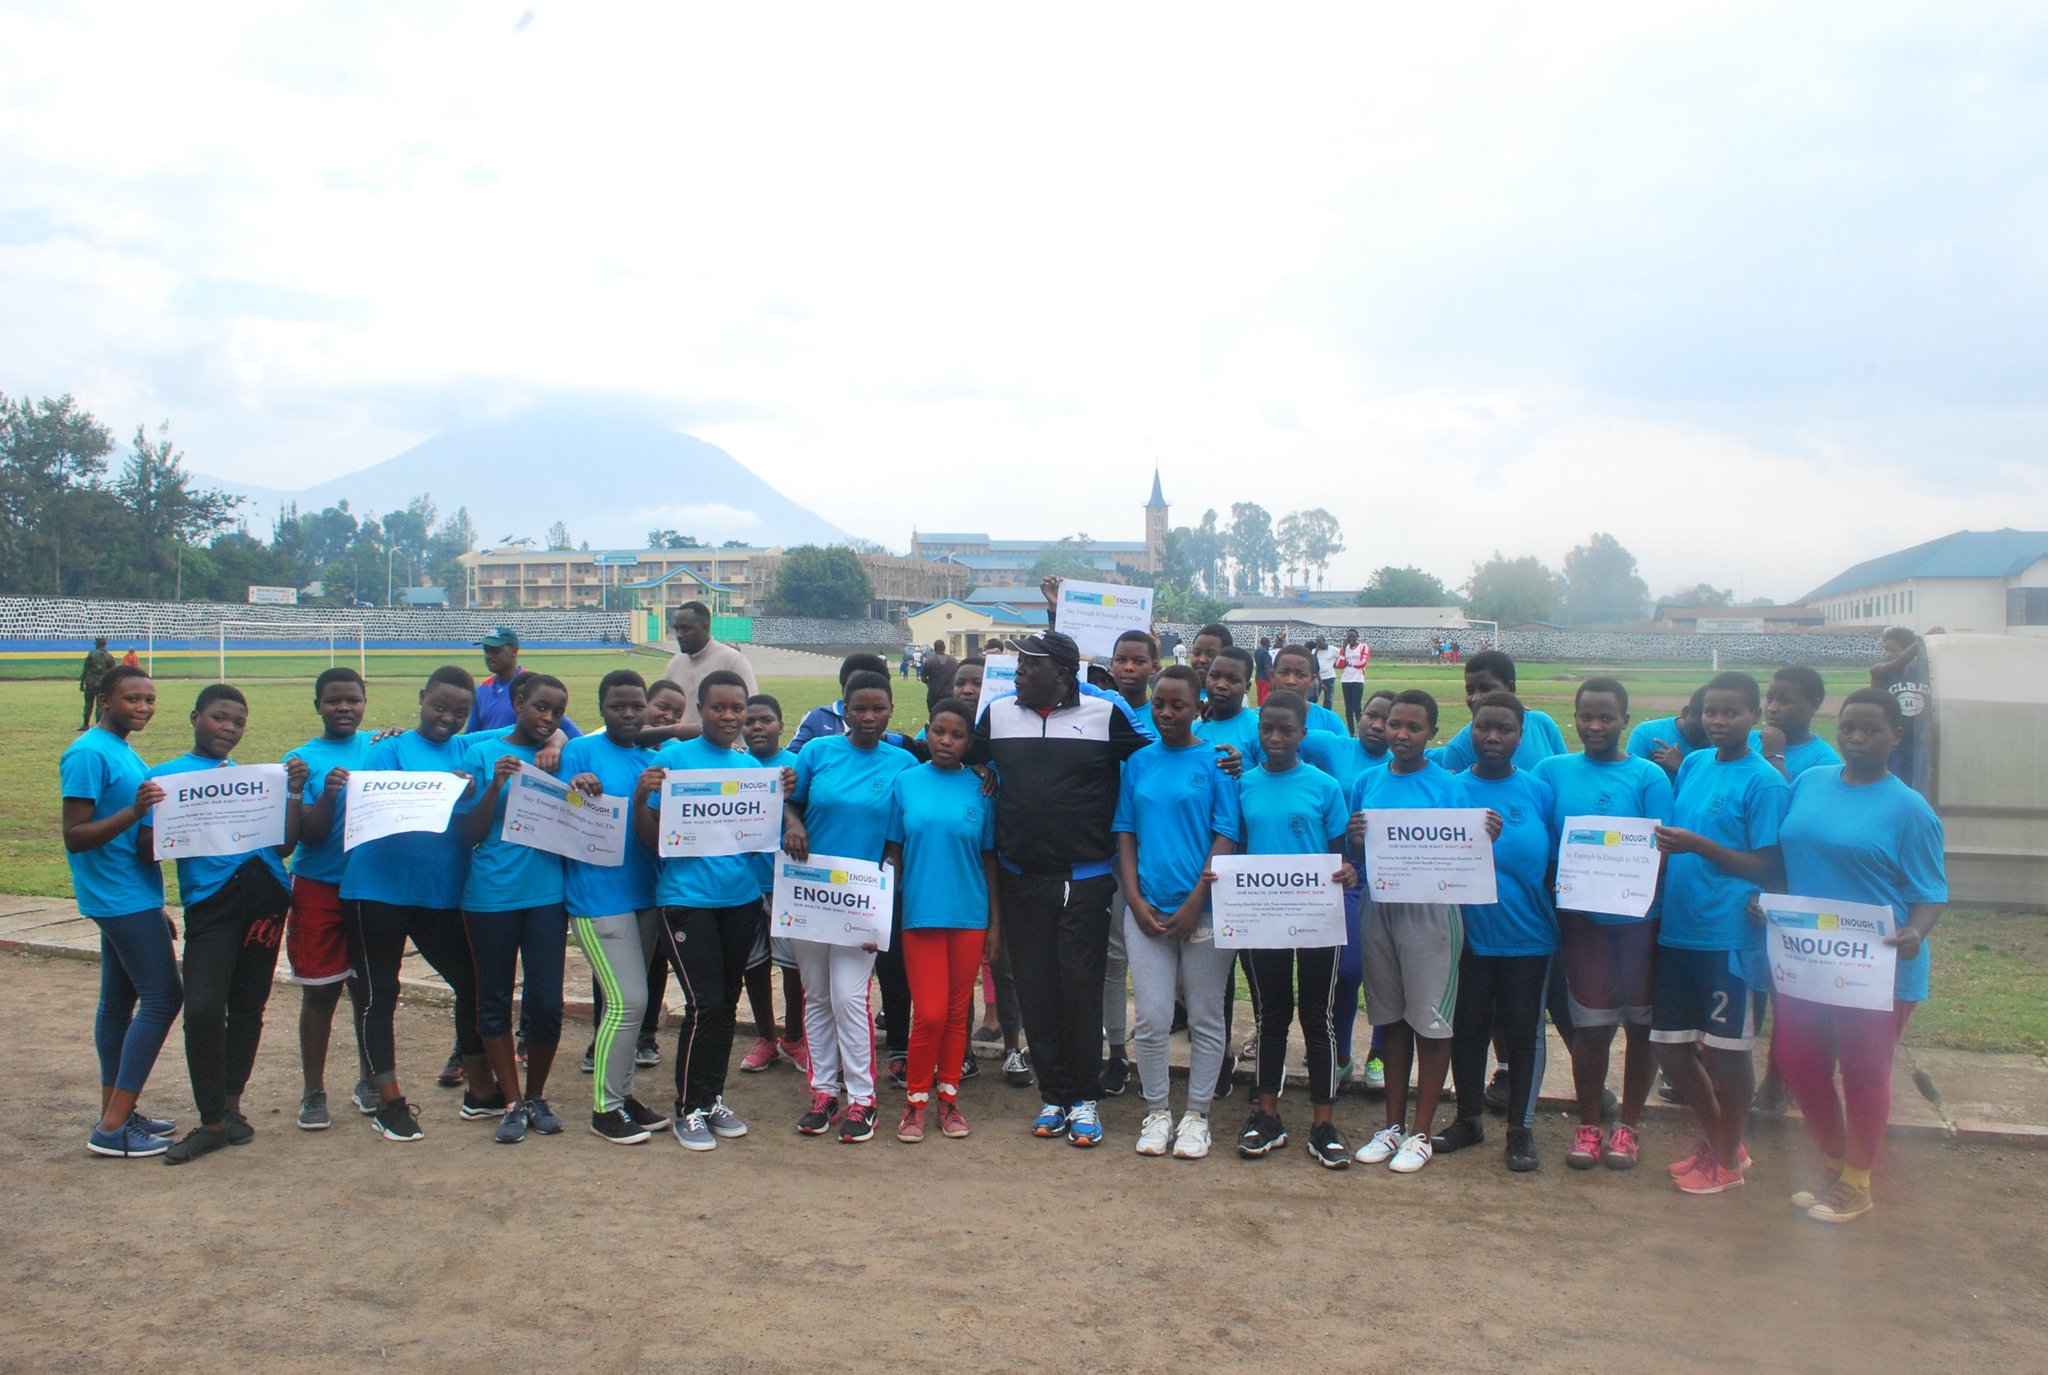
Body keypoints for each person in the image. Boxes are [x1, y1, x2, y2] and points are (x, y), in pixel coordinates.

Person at [1773, 688, 1947, 1223]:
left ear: (1896, 734)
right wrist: (1772, 909)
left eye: (1871, 729)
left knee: (1864, 1072)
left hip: (1878, 963)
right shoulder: (1808, 782)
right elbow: (1790, 858)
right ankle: (1836, 1160)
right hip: (1807, 961)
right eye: (1849, 727)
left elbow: (1929, 893)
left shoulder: (1909, 809)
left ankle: (1859, 1181)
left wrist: (1915, 932)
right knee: (1798, 1064)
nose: (1857, 738)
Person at [970, 630, 1149, 1146]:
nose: (1019, 673)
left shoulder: (1105, 714)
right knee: (1036, 989)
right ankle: (1054, 1095)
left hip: (1086, 881)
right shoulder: (999, 713)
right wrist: (980, 764)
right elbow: (959, 749)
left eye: (1030, 665)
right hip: (1021, 879)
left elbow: (1158, 755)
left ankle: (1085, 1098)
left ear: (1063, 675)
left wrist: (1223, 758)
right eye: (1019, 665)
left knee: (1080, 988)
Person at [140, 684, 303, 1164]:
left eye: (238, 722)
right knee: (204, 1010)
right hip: (211, 904)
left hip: (267, 896)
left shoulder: (255, 779)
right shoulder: (165, 778)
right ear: (196, 717)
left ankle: (232, 1108)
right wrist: (149, 812)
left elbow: (282, 847)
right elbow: (147, 850)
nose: (229, 728)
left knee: (248, 1008)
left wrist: (292, 791)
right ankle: (210, 1119)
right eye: (219, 718)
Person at [1652, 671, 1789, 1196]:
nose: (1718, 721)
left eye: (1731, 712)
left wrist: (1697, 845)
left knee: (1728, 1055)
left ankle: (1727, 1157)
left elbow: (1768, 868)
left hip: (1729, 937)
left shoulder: (1765, 782)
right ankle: (1723, 1143)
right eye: (1711, 711)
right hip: (1680, 929)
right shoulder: (1692, 764)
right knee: (1670, 1046)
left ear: (1754, 717)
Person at [340, 665, 488, 1143]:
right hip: (377, 891)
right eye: (439, 706)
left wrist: (551, 744)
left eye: (460, 712)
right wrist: (442, 793)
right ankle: (389, 1100)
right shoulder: (389, 750)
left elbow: (548, 727)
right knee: (380, 993)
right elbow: (372, 809)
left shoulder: (470, 750)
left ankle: (479, 1085)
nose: (447, 718)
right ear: (422, 697)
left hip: (438, 894)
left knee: (472, 982)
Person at [1531, 677, 1674, 1171]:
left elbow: (1661, 850)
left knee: (1641, 1026)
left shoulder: (1648, 778)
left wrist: (1626, 886)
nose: (1595, 725)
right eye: (1586, 716)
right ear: (1574, 717)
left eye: (1606, 717)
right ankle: (1589, 1124)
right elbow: (1542, 839)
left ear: (1624, 721)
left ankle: (1628, 1126)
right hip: (1581, 922)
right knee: (1591, 1028)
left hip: (1639, 923)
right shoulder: (1552, 771)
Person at [636, 669, 771, 1151]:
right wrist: (641, 798)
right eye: (719, 707)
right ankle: (688, 1108)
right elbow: (653, 842)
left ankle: (711, 1098)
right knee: (705, 1004)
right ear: (701, 708)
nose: (730, 716)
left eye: (738, 708)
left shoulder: (754, 772)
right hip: (687, 903)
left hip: (739, 902)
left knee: (726, 1004)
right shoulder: (672, 761)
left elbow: (761, 841)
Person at [1349, 690, 1480, 1174]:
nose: (1400, 735)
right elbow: (1357, 851)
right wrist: (1356, 840)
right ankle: (1393, 1126)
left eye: (1413, 727)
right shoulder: (1367, 780)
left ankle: (1422, 1131)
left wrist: (1486, 835)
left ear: (1432, 734)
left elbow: (1466, 854)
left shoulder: (1448, 786)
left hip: (1430, 913)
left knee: (1430, 1021)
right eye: (1393, 725)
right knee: (1391, 1020)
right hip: (1379, 908)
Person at [1225, 691, 1358, 1167]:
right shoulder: (1243, 786)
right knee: (1271, 1016)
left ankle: (1323, 1123)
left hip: (1317, 916)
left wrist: (1347, 871)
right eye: (1267, 729)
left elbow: (1341, 856)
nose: (1276, 738)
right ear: (1258, 732)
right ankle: (1267, 1116)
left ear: (1305, 733)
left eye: (1287, 730)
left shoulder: (1324, 787)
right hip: (1263, 917)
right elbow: (1234, 847)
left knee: (1316, 1017)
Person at [1113, 665, 1241, 1161]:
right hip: (1147, 912)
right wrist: (1136, 901)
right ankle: (1158, 1111)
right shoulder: (1139, 763)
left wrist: (1196, 903)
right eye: (1160, 704)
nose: (1166, 712)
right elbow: (1125, 833)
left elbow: (1225, 834)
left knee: (1206, 1018)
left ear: (1198, 707)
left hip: (1204, 913)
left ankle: (1197, 1116)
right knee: (1150, 1017)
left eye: (1178, 705)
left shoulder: (1217, 762)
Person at [784, 670, 917, 1143]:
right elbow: (790, 802)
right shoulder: (818, 753)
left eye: (877, 708)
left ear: (890, 711)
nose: (868, 716)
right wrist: (792, 824)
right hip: (810, 892)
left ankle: (863, 1100)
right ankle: (823, 1093)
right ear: (843, 708)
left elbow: (899, 836)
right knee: (816, 995)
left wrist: (888, 875)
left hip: (862, 899)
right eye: (858, 708)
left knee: (848, 997)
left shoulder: (902, 763)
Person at [61, 664, 182, 1158]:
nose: (143, 707)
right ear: (105, 700)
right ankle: (111, 1129)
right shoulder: (89, 752)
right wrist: (135, 811)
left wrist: (154, 906)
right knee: (163, 997)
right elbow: (75, 835)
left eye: (150, 699)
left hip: (133, 895)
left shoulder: (121, 750)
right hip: (116, 897)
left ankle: (116, 1110)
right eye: (132, 699)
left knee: (117, 1001)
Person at [1436, 691, 1557, 1173]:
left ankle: (1520, 1130)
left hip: (1528, 935)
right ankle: (1468, 1119)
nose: (1492, 737)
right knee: (1467, 1028)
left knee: (1523, 1032)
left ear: (1520, 735)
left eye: (1504, 729)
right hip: (1466, 935)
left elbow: (1552, 866)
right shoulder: (1449, 789)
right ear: (1470, 727)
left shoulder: (1539, 791)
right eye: (1484, 727)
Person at [458, 673, 573, 1143]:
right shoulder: (484, 755)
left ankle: (537, 1094)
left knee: (546, 1003)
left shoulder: (563, 753)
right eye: (540, 708)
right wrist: (494, 786)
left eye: (557, 712)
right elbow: (468, 834)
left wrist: (579, 778)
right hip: (491, 896)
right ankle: (511, 1102)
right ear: (518, 702)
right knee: (495, 1001)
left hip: (546, 896)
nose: (548, 718)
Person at [560, 670, 671, 1145]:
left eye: (635, 706)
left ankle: (623, 1096)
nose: (627, 714)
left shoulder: (651, 759)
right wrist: (575, 785)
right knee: (628, 1003)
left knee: (634, 1000)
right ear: (601, 708)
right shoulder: (579, 752)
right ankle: (604, 1108)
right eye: (616, 706)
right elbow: (556, 812)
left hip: (644, 894)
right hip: (597, 896)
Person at [885, 696, 1001, 1142]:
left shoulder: (983, 787)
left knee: (956, 1014)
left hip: (969, 914)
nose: (945, 741)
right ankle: (915, 1103)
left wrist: (995, 924)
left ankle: (948, 1101)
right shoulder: (906, 782)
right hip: (920, 913)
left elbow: (989, 858)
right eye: (938, 731)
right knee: (929, 1014)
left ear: (970, 741)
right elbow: (893, 851)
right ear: (926, 730)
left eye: (956, 735)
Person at [281, 668, 378, 1131]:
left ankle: (369, 1079)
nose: (344, 708)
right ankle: (313, 1090)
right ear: (317, 704)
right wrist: (330, 795)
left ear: (364, 703)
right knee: (321, 992)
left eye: (353, 700)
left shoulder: (381, 747)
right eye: (334, 700)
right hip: (319, 886)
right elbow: (308, 836)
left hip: (370, 887)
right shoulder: (301, 759)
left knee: (369, 990)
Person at [1303, 688, 1397, 1091]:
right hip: (1343, 876)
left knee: (1385, 973)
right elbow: (1275, 728)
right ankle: (1339, 1052)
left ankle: (1379, 1054)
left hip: (1395, 879)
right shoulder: (1334, 746)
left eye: (1388, 720)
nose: (1377, 726)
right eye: (1371, 716)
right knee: (1346, 971)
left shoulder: (1404, 764)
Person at [738, 693, 807, 1075]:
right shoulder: (734, 766)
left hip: (789, 883)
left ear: (782, 724)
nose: (757, 727)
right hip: (745, 882)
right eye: (750, 722)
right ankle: (766, 1037)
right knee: (755, 964)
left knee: (793, 966)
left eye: (765, 720)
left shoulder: (798, 767)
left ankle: (795, 1037)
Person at [1429, 649, 1568, 772]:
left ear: (1510, 689)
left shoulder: (1543, 724)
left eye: (1486, 689)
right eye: (1470, 691)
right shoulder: (1459, 748)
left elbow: (1562, 776)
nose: (1475, 698)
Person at [658, 601, 759, 736]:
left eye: (685, 628)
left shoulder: (732, 661)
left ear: (705, 628)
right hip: (684, 749)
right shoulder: (675, 664)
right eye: (676, 629)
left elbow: (751, 709)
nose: (679, 635)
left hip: (725, 749)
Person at [468, 625, 583, 738]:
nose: (489, 656)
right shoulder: (482, 690)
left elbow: (568, 730)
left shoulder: (533, 686)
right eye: (486, 651)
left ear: (514, 652)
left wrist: (556, 743)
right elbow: (471, 734)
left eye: (496, 651)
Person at [1870, 627, 1933, 797]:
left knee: (1920, 789)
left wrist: (1928, 644)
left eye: (1894, 650)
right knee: (1892, 787)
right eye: (1886, 649)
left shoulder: (1923, 674)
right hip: (1892, 744)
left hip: (1919, 743)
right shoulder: (1880, 672)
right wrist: (1921, 642)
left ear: (1906, 649)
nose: (1888, 654)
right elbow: (1898, 663)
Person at [789, 654, 895, 753]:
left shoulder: (885, 733)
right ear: (843, 687)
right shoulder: (818, 718)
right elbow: (793, 757)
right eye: (855, 684)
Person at [1755, 666, 1843, 781]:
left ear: (1813, 705)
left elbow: (1779, 797)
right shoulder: (1749, 741)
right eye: (1769, 699)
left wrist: (1774, 756)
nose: (1772, 708)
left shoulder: (1824, 762)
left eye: (1784, 701)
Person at [1195, 648, 1263, 767]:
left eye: (1233, 680)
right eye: (1215, 676)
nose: (1221, 685)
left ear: (1247, 687)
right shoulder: (1193, 730)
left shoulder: (1259, 730)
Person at [1628, 685, 1711, 778]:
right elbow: (1630, 780)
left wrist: (1682, 767)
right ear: (1685, 712)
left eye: (1711, 733)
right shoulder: (1645, 733)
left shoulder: (1722, 747)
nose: (1708, 740)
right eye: (1700, 730)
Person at [1269, 643, 1347, 736]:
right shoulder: (1256, 719)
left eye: (1300, 675)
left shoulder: (1330, 723)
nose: (1291, 681)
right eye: (1284, 673)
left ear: (1312, 680)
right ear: (1272, 676)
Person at [78, 637, 116, 731]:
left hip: (90, 683)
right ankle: (99, 724)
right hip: (102, 684)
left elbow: (86, 669)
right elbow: (112, 672)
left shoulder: (91, 655)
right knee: (100, 705)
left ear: (98, 644)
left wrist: (82, 682)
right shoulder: (109, 657)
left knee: (88, 704)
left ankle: (85, 724)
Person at [1338, 630, 1370, 733]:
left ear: (1357, 637)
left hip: (1357, 680)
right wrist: (1343, 649)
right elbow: (1340, 664)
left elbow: (1363, 662)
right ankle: (1351, 732)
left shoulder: (1363, 647)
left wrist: (1350, 664)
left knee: (1356, 706)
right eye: (1349, 637)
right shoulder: (1345, 648)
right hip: (1346, 680)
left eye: (1353, 636)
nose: (1351, 639)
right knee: (1348, 708)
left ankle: (1361, 729)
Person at [920, 638, 960, 708]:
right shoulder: (953, 660)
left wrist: (930, 683)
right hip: (950, 694)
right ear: (944, 648)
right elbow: (958, 676)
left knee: (934, 715)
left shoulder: (929, 660)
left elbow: (923, 677)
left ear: (934, 648)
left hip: (934, 694)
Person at [1314, 636, 1338, 711]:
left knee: (1328, 698)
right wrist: (1316, 651)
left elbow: (1341, 657)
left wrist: (1336, 664)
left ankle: (1327, 713)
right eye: (1317, 642)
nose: (1318, 644)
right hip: (1317, 678)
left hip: (1329, 677)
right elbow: (1312, 660)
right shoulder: (1315, 650)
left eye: (1319, 642)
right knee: (1314, 697)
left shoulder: (1333, 650)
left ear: (1324, 641)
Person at [1252, 636, 1274, 705]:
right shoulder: (1265, 653)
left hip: (1258, 677)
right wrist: (1271, 679)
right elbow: (1267, 667)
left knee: (1260, 697)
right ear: (1267, 643)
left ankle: (1259, 711)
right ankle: (1263, 712)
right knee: (1265, 697)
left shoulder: (1256, 652)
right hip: (1265, 678)